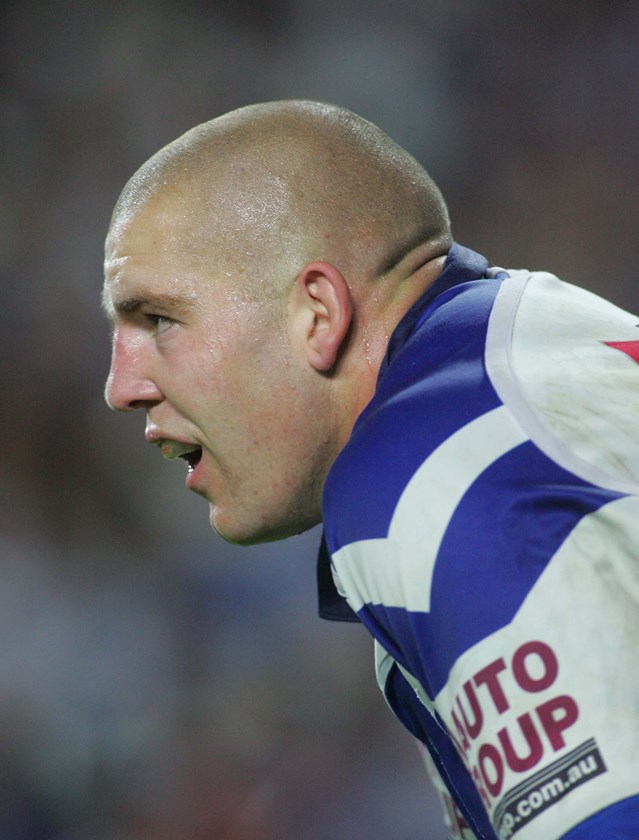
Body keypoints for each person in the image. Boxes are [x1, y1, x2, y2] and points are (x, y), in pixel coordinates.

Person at [102, 100, 639, 840]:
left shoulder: (431, 474)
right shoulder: (527, 347)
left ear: (316, 312)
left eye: (157, 319)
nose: (120, 385)